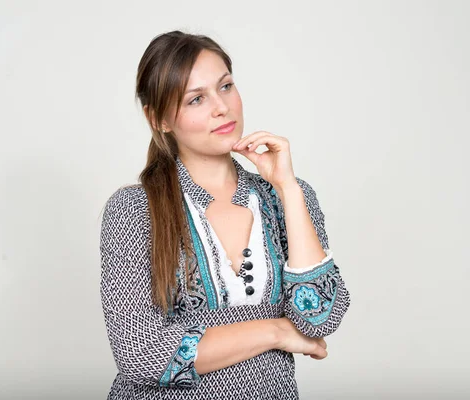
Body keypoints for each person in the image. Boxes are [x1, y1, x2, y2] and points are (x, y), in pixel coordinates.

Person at [99, 30, 351, 400]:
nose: (222, 107)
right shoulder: (135, 210)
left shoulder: (289, 198)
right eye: (196, 99)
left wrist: (289, 189)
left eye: (226, 86)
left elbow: (319, 319)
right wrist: (276, 332)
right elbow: (140, 352)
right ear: (160, 120)